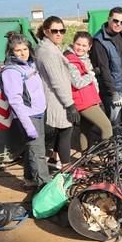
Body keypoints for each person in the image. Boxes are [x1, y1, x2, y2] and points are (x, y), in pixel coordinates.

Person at [0, 33, 50, 188]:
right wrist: (28, 125)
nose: (22, 53)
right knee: (38, 152)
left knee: (32, 148)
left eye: (25, 49)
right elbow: (15, 101)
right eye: (18, 50)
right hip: (28, 116)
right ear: (11, 52)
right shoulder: (11, 71)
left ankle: (30, 179)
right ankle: (44, 186)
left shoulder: (28, 65)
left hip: (38, 112)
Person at [35, 16, 80, 170]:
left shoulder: (49, 48)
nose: (59, 34)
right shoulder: (48, 52)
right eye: (55, 31)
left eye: (62, 30)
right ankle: (67, 169)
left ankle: (54, 159)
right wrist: (70, 104)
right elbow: (57, 81)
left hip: (56, 97)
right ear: (46, 31)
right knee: (65, 131)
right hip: (57, 99)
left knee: (59, 132)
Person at [64, 32, 113, 150]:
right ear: (73, 43)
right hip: (83, 100)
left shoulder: (84, 59)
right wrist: (91, 74)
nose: (80, 48)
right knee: (106, 127)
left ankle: (86, 159)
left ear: (89, 47)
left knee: (85, 130)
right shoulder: (70, 60)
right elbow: (77, 83)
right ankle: (110, 157)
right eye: (78, 44)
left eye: (84, 45)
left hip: (90, 98)